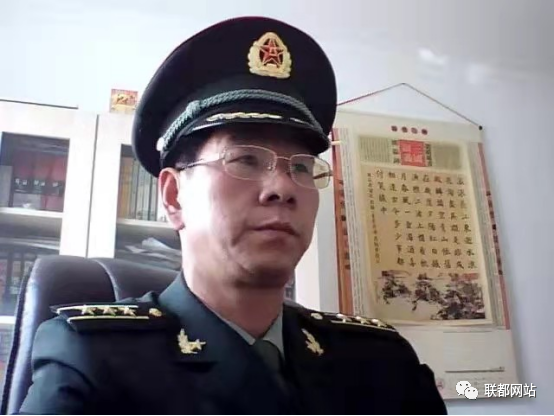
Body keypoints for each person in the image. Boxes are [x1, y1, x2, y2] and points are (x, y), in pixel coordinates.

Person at [20, 16, 447, 414]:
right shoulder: (93, 356)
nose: (283, 188)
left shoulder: (380, 360)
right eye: (245, 159)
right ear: (173, 196)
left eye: (301, 167)